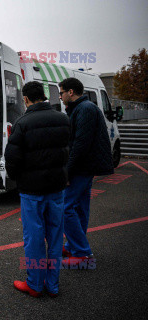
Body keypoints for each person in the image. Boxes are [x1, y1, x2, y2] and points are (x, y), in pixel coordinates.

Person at [5, 81, 70, 297]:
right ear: (43, 95)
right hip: (57, 187)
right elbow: (67, 150)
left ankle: (34, 284)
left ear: (25, 99)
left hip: (32, 191)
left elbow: (12, 158)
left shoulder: (22, 122)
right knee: (55, 235)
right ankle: (52, 285)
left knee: (34, 237)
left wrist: (17, 179)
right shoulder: (63, 118)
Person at [58, 78, 114, 267]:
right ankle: (74, 247)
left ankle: (82, 253)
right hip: (85, 166)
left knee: (66, 207)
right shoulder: (82, 108)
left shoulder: (85, 109)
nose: (60, 96)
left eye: (61, 92)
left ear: (71, 92)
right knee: (80, 207)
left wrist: (67, 171)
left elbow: (80, 144)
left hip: (82, 167)